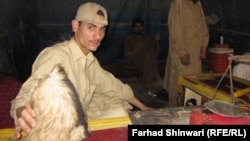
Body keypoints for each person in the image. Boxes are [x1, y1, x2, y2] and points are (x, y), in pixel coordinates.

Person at [10, 2, 152, 139]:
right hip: (58, 131)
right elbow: (24, 96)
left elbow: (112, 85)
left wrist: (143, 107)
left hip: (82, 116)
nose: (98, 36)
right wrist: (21, 110)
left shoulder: (89, 59)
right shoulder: (57, 56)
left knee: (122, 108)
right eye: (91, 27)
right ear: (75, 25)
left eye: (102, 29)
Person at [163, 0, 209, 107]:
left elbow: (203, 25)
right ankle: (175, 112)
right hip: (182, 54)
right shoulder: (178, 3)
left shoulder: (197, 3)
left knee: (194, 84)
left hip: (196, 55)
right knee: (179, 85)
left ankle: (190, 111)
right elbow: (176, 29)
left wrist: (203, 46)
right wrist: (182, 52)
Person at [124, 18, 163, 97]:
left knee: (148, 58)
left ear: (143, 27)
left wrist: (157, 41)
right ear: (133, 28)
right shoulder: (130, 38)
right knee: (148, 58)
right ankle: (157, 78)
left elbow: (156, 53)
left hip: (147, 61)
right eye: (136, 26)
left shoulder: (148, 38)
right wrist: (139, 47)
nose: (138, 28)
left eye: (140, 26)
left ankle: (149, 88)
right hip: (135, 61)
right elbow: (128, 54)